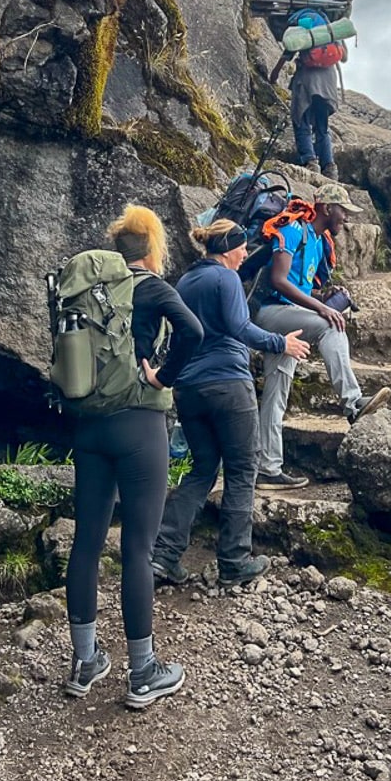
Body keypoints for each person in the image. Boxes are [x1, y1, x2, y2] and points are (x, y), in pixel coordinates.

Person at [65, 204, 204, 709]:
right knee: (138, 548)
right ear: (152, 248)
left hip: (89, 425)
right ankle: (143, 672)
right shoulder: (151, 288)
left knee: (86, 541)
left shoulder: (91, 291)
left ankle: (85, 662)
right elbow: (194, 333)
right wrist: (163, 377)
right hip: (141, 424)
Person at [150, 219, 310, 587]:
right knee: (241, 468)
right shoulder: (226, 279)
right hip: (227, 384)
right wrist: (280, 343)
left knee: (203, 469)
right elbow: (240, 327)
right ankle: (234, 561)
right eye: (242, 248)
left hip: (189, 389)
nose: (244, 256)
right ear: (229, 248)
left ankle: (164, 556)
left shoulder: (187, 281)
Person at [253, 182, 391, 488]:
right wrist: (322, 308)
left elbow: (299, 286)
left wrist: (324, 293)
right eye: (343, 210)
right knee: (332, 324)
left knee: (277, 392)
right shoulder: (292, 230)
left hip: (289, 321)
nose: (346, 218)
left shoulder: (316, 240)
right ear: (327, 208)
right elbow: (277, 280)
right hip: (270, 313)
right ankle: (354, 403)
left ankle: (267, 467)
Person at [269, 44, 345, 178]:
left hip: (306, 79)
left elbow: (288, 53)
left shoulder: (304, 27)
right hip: (328, 81)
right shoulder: (331, 31)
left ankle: (310, 162)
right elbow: (344, 57)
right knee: (322, 126)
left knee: (301, 119)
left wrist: (274, 74)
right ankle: (329, 167)